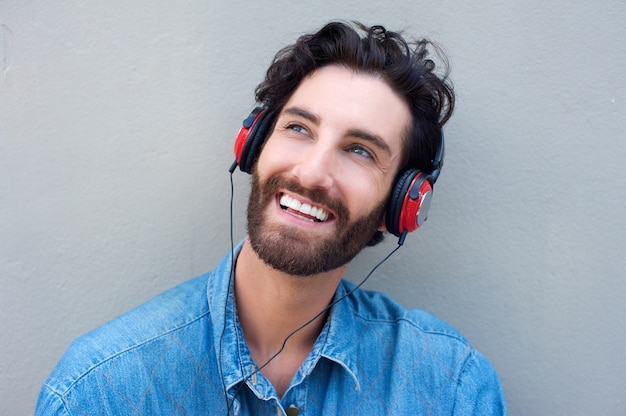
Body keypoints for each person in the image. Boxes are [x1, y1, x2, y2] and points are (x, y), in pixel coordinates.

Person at [36, 21, 506, 415]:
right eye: (299, 128)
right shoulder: (96, 393)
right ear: (255, 146)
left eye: (360, 151)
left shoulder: (450, 390)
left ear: (400, 206)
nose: (312, 172)